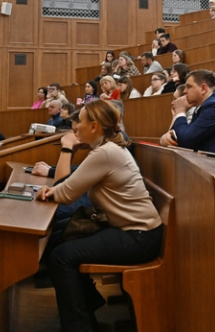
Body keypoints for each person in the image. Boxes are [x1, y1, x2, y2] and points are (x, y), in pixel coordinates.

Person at [36, 101, 163, 332]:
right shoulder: (108, 149)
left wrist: (49, 192)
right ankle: (87, 307)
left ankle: (80, 326)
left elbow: (67, 191)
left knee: (61, 257)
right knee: (66, 242)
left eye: (80, 123)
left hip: (138, 237)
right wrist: (54, 191)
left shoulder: (105, 153)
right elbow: (69, 188)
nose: (76, 129)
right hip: (136, 231)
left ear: (94, 126)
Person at [159, 69, 215, 153]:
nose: (185, 91)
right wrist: (166, 137)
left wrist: (180, 112)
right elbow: (184, 136)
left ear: (203, 88)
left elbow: (186, 141)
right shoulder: (207, 104)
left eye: (189, 87)